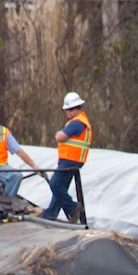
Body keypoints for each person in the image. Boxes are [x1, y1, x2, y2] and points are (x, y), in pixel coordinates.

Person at [40, 91, 92, 222]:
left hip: (70, 160)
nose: (67, 113)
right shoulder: (81, 121)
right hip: (72, 160)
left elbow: (59, 137)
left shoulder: (76, 123)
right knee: (60, 187)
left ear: (75, 108)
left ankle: (73, 208)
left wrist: (59, 132)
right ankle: (51, 214)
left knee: (55, 184)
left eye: (69, 110)